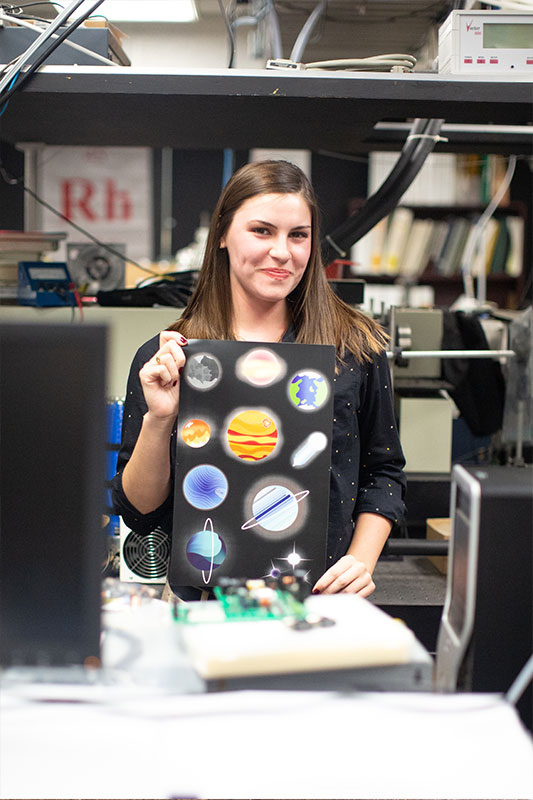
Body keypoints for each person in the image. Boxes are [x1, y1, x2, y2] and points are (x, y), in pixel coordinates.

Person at [112, 159, 406, 601]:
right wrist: (160, 418)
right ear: (222, 237)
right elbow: (140, 511)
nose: (283, 252)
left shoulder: (354, 347)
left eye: (298, 235)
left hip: (324, 605)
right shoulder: (173, 355)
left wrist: (361, 561)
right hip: (206, 610)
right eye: (262, 231)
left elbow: (383, 473)